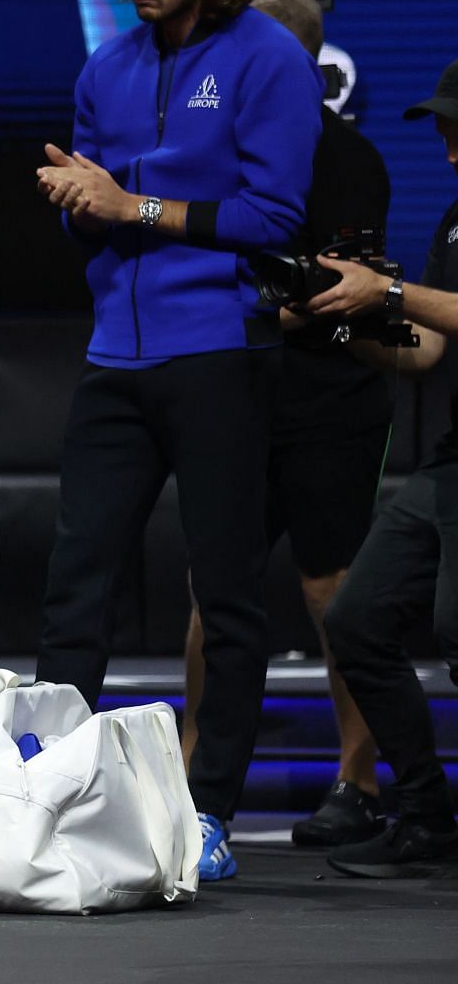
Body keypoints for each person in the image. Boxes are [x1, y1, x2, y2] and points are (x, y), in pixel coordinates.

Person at [33, 0, 318, 881]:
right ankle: (49, 798)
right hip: (117, 355)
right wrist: (77, 199)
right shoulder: (106, 68)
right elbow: (95, 207)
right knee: (76, 589)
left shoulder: (268, 59)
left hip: (221, 350)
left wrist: (128, 206)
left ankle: (211, 811)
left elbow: (274, 219)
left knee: (227, 592)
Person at [180, 0, 390, 849]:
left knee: (330, 590)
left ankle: (358, 778)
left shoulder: (350, 159)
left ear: (296, 61)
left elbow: (338, 292)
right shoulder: (218, 143)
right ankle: (191, 780)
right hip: (236, 389)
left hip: (329, 397)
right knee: (214, 586)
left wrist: (273, 302)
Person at [306, 58, 458, 878]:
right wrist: (333, 315)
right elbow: (428, 348)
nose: (450, 151)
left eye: (457, 131)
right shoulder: (457, 220)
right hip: (449, 466)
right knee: (358, 619)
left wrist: (387, 293)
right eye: (443, 132)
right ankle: (428, 814)